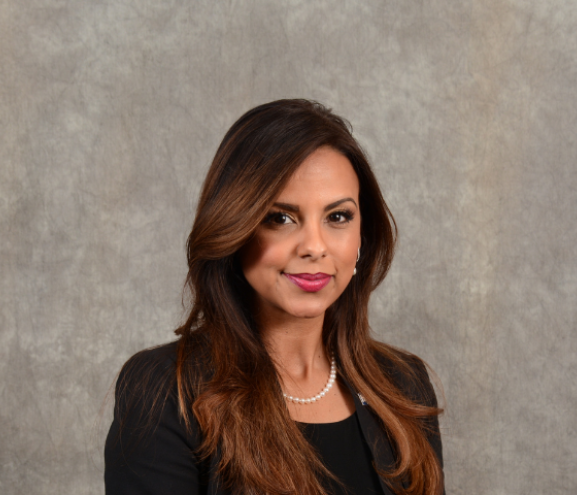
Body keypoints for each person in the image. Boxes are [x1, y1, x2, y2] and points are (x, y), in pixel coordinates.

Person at [104, 99, 444, 495]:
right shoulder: (166, 391)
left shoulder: (404, 385)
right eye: (280, 218)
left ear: (362, 237)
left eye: (338, 217)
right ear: (236, 227)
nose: (315, 247)